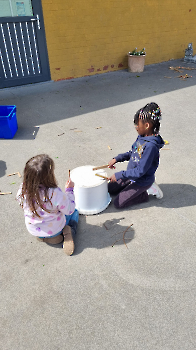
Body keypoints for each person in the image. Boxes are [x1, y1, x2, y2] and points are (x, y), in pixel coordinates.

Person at [16, 154, 79, 256]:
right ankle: (68, 232)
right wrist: (69, 190)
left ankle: (42, 237)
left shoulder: (22, 189)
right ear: (49, 175)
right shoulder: (54, 193)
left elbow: (22, 205)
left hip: (33, 230)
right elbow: (69, 209)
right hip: (55, 230)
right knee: (75, 212)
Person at [107, 102, 164, 209]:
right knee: (109, 189)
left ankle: (146, 192)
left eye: (137, 124)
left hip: (142, 180)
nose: (135, 127)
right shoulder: (142, 136)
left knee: (118, 203)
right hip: (132, 175)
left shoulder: (151, 146)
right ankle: (131, 187)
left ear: (147, 125)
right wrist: (117, 158)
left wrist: (120, 175)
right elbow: (133, 153)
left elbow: (140, 171)